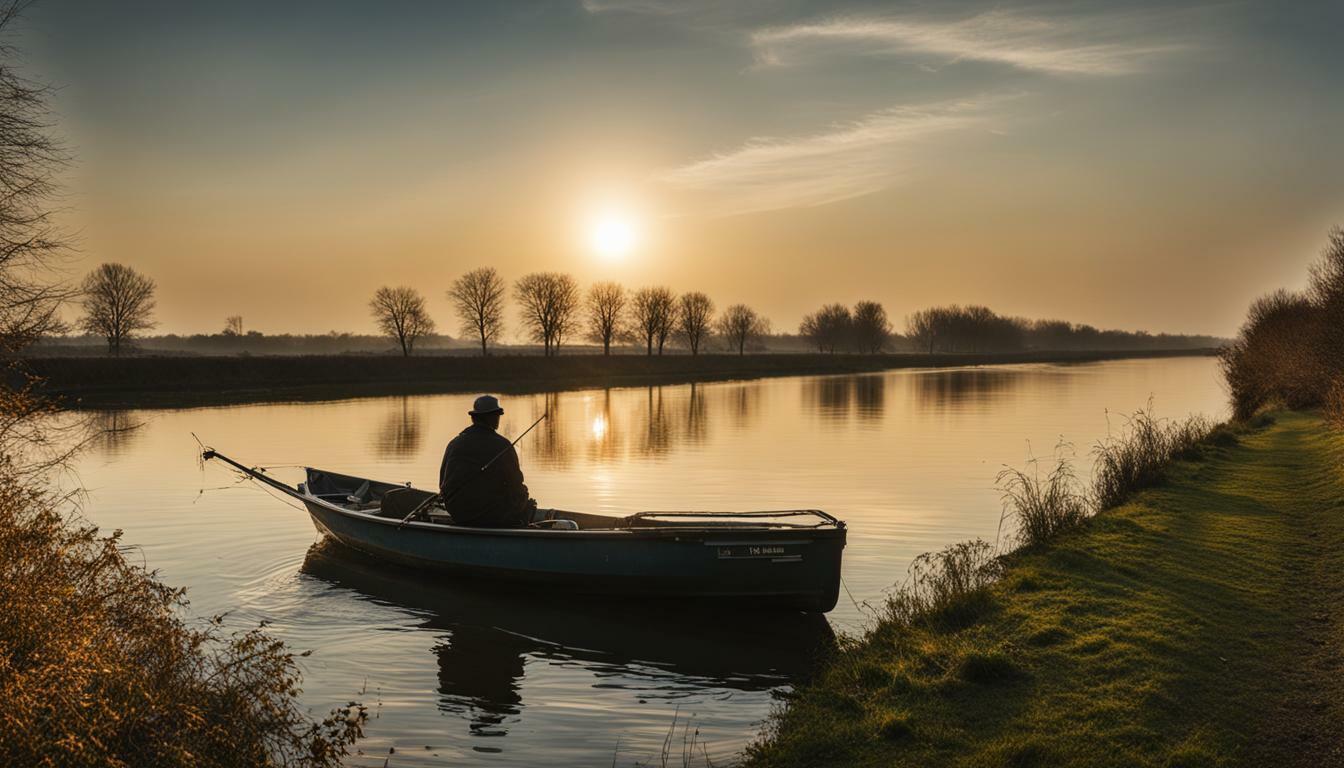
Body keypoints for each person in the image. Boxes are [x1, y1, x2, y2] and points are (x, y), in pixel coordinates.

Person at [438, 395, 534, 528]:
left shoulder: (454, 443)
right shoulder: (503, 445)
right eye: (497, 415)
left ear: (474, 418)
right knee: (523, 494)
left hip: (459, 514)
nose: (498, 419)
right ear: (492, 417)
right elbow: (516, 484)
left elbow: (442, 483)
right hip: (493, 516)